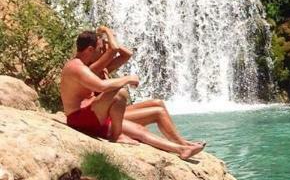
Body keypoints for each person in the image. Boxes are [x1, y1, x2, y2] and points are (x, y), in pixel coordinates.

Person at [60, 29, 205, 159]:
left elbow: (124, 54)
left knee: (140, 129)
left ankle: (182, 148)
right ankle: (117, 136)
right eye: (100, 48)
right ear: (90, 49)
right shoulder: (78, 68)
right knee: (120, 93)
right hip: (80, 118)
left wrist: (107, 39)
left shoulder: (85, 66)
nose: (103, 50)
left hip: (95, 114)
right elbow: (101, 86)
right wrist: (127, 78)